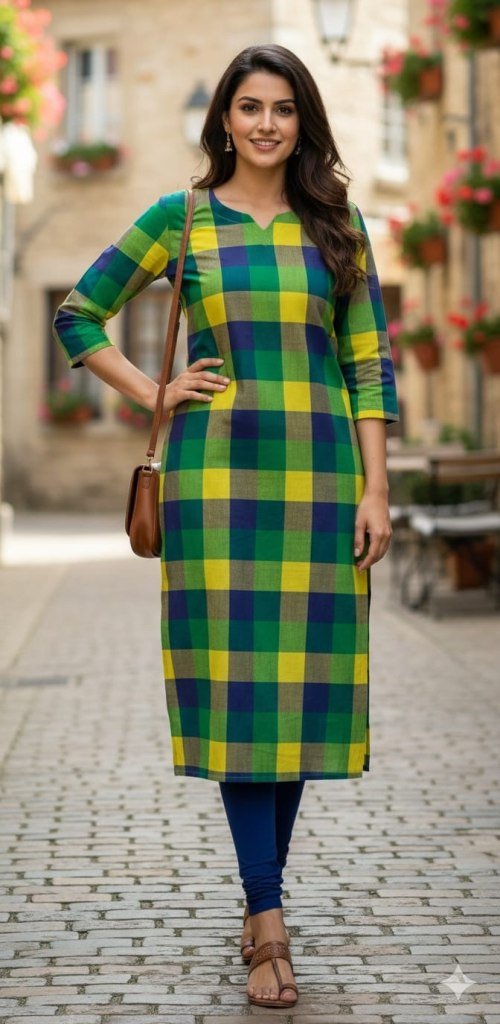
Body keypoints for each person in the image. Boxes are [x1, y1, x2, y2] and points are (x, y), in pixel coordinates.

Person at [53, 42, 399, 1009]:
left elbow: (368, 365)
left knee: (298, 698)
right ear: (224, 121)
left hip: (321, 486)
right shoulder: (184, 218)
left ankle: (260, 901)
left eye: (283, 108)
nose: (266, 124)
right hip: (218, 489)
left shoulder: (338, 227)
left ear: (303, 121)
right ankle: (269, 917)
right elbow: (80, 314)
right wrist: (153, 390)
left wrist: (376, 488)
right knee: (246, 696)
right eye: (250, 107)